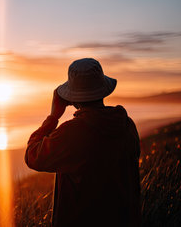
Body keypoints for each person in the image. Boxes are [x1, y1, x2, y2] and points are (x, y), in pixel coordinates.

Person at [25, 58, 141, 226]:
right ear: (102, 90)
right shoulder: (127, 125)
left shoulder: (72, 133)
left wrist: (53, 117)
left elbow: (32, 155)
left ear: (72, 98)